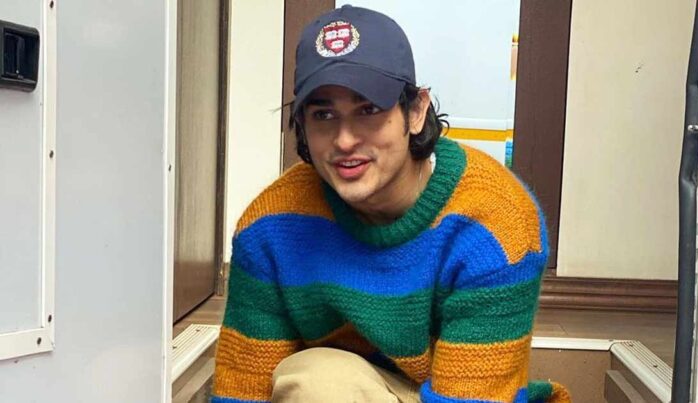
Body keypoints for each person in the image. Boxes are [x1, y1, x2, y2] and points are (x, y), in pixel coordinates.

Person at [212, 5, 570, 403]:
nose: (345, 140)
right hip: (351, 388)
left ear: (416, 111)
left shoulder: (495, 224)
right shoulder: (270, 227)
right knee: (320, 381)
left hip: (465, 393)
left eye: (369, 110)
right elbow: (243, 390)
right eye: (324, 114)